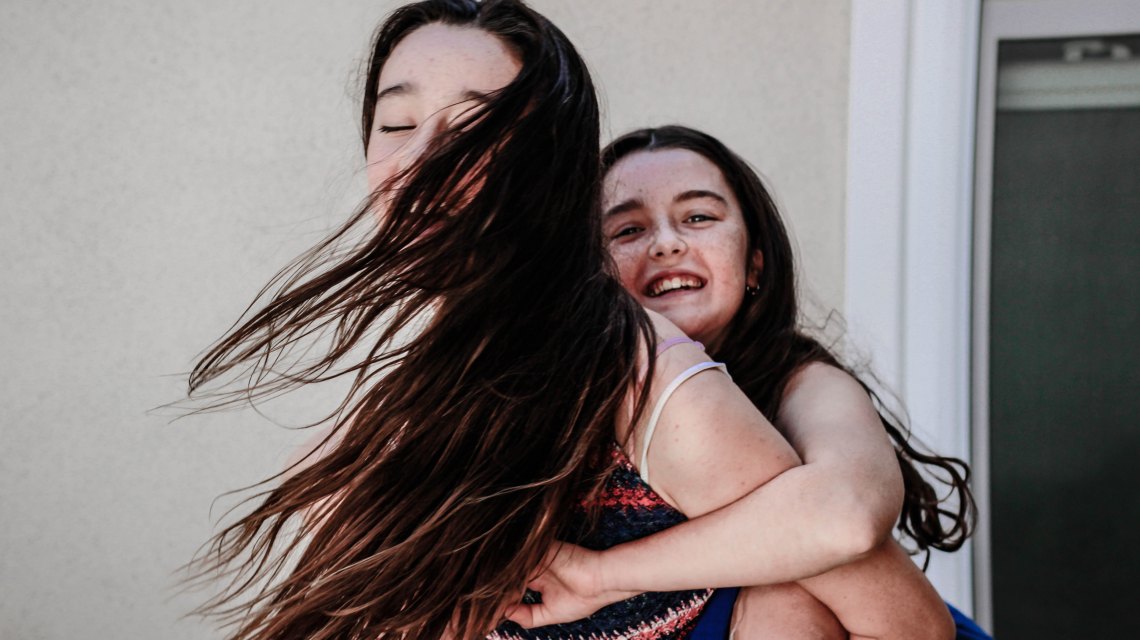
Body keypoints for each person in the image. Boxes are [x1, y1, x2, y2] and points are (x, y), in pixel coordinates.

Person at [184, 3, 823, 639]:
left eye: (472, 127)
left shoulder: (640, 373)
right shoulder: (411, 383)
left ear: (550, 166)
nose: (421, 158)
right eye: (396, 122)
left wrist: (607, 577)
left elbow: (870, 586)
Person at [507, 125, 991, 639]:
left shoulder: (805, 383)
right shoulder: (559, 397)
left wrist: (601, 576)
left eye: (698, 217)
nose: (666, 244)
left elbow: (846, 516)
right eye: (627, 230)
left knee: (782, 596)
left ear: (754, 264)